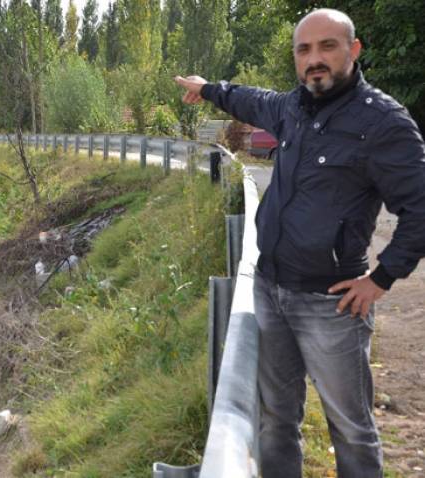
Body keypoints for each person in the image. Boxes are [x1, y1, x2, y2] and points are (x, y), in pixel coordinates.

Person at [174, 8, 425, 478]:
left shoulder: (384, 123)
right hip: (270, 290)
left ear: (353, 51)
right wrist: (208, 88)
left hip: (332, 304)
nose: (315, 59)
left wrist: (381, 279)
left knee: (351, 427)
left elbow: (421, 210)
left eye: (327, 47)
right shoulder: (291, 107)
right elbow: (248, 100)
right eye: (304, 50)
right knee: (276, 422)